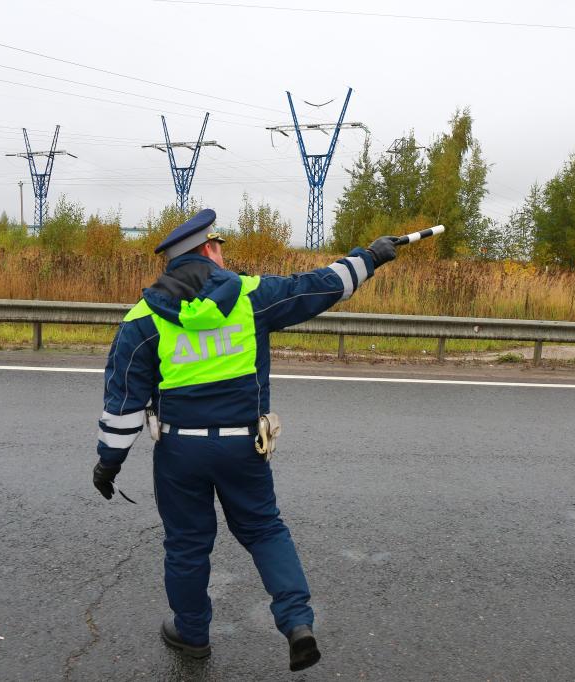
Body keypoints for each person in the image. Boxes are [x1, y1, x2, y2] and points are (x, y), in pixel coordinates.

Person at [90, 208, 397, 672]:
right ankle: (297, 622)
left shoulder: (143, 317)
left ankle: (192, 636)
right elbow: (316, 287)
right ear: (210, 251)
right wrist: (370, 257)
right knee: (264, 529)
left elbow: (124, 400)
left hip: (180, 451)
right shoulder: (251, 296)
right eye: (220, 247)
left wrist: (107, 464)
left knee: (187, 544)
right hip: (243, 446)